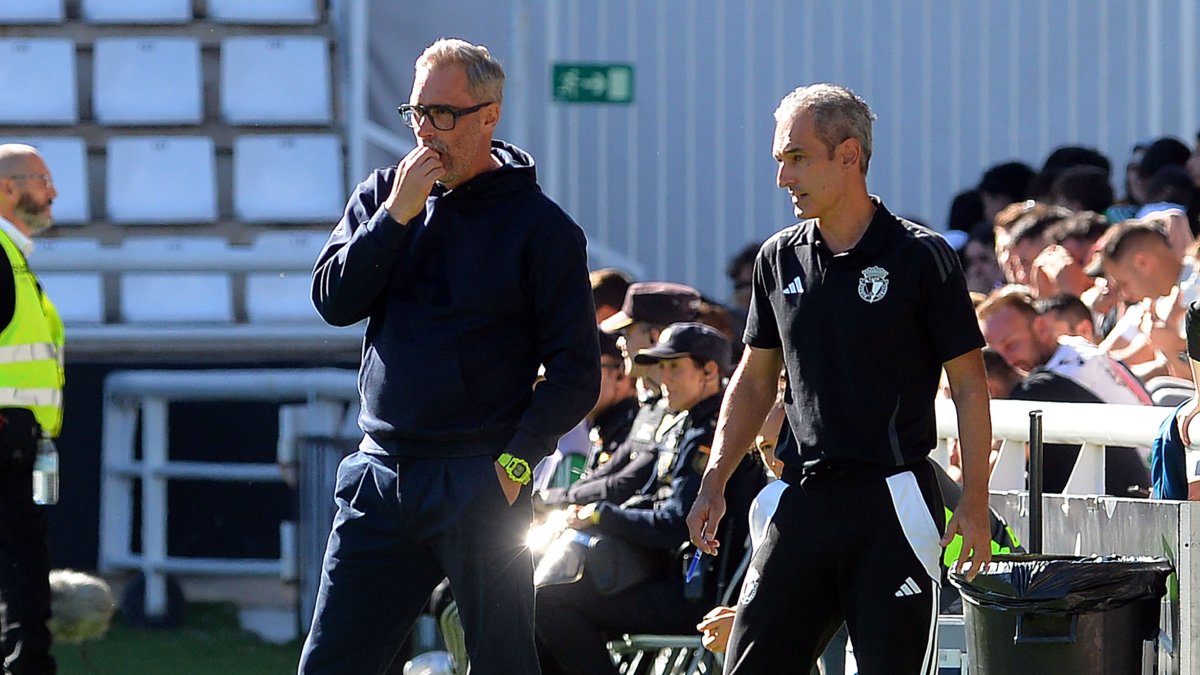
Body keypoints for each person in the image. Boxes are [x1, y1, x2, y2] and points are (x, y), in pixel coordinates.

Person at [299, 39, 600, 675]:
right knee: (330, 664)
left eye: (444, 114)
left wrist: (515, 463)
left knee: (503, 664)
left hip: (477, 478)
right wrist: (395, 217)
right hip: (380, 474)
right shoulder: (382, 195)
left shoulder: (542, 228)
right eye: (417, 112)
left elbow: (575, 373)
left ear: (489, 116)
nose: (426, 131)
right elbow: (332, 299)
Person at [686, 83, 994, 674]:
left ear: (848, 156)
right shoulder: (777, 257)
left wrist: (974, 499)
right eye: (779, 159)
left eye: (797, 157)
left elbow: (970, 386)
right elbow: (754, 381)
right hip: (800, 500)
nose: (783, 178)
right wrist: (715, 479)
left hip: (893, 503)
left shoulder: (921, 257)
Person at [536, 323, 763, 675]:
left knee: (549, 603)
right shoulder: (680, 423)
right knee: (536, 596)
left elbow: (677, 524)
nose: (663, 377)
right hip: (660, 576)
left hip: (692, 590)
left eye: (675, 367)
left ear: (709, 371)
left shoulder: (712, 434)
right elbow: (647, 498)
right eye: (660, 366)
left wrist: (600, 515)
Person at [0, 144, 66, 675]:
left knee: (20, 578)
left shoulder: (13, 256)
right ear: (7, 188)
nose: (53, 193)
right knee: (19, 582)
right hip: (6, 440)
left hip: (19, 443)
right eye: (42, 181)